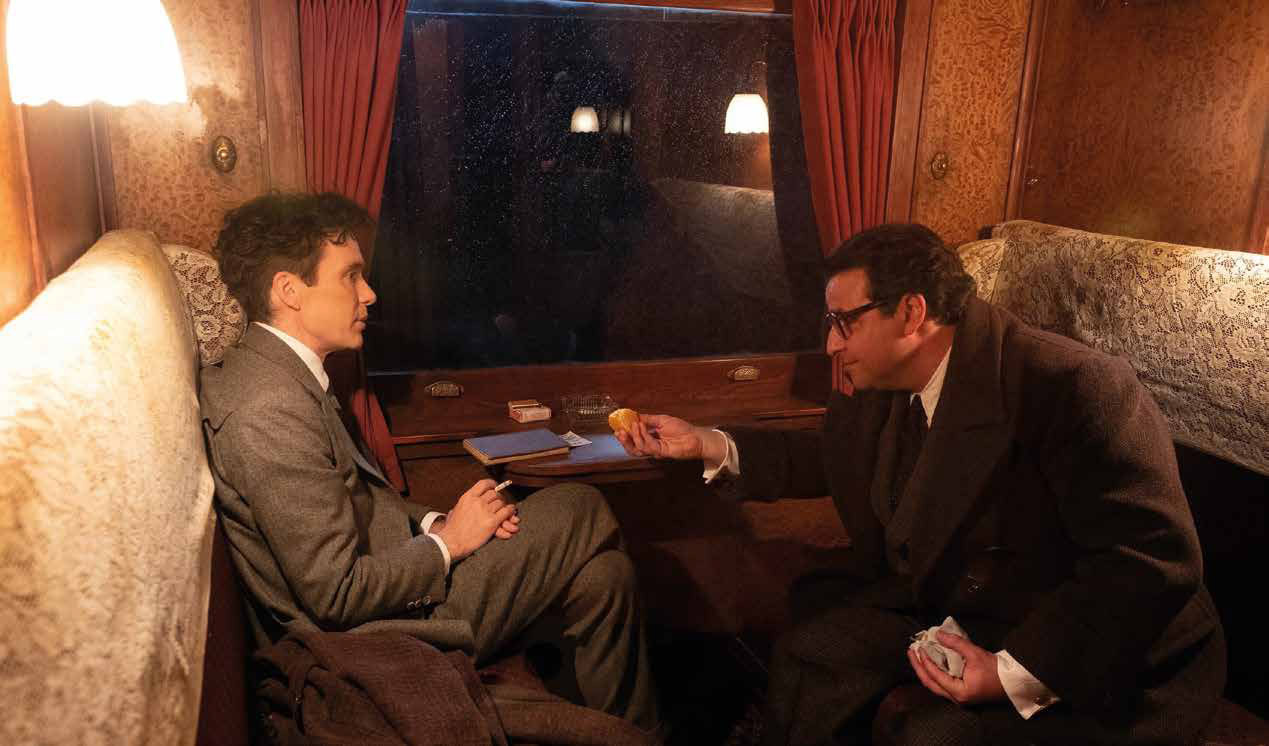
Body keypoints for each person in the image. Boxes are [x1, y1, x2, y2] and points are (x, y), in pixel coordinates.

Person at [614, 223, 1223, 745]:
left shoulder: (1071, 386)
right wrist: (708, 442)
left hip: (1102, 649)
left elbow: (1149, 562)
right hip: (969, 607)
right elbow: (831, 456)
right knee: (810, 651)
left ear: (911, 313)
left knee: (932, 735)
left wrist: (1009, 672)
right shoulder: (884, 378)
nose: (830, 343)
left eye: (843, 322)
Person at [200, 192, 661, 735]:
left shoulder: (281, 374)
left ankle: (633, 733)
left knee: (606, 576)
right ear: (289, 290)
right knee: (582, 506)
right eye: (350, 276)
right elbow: (335, 595)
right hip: (373, 635)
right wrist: (451, 544)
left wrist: (434, 522)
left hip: (388, 581)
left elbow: (360, 499)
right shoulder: (268, 408)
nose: (369, 294)